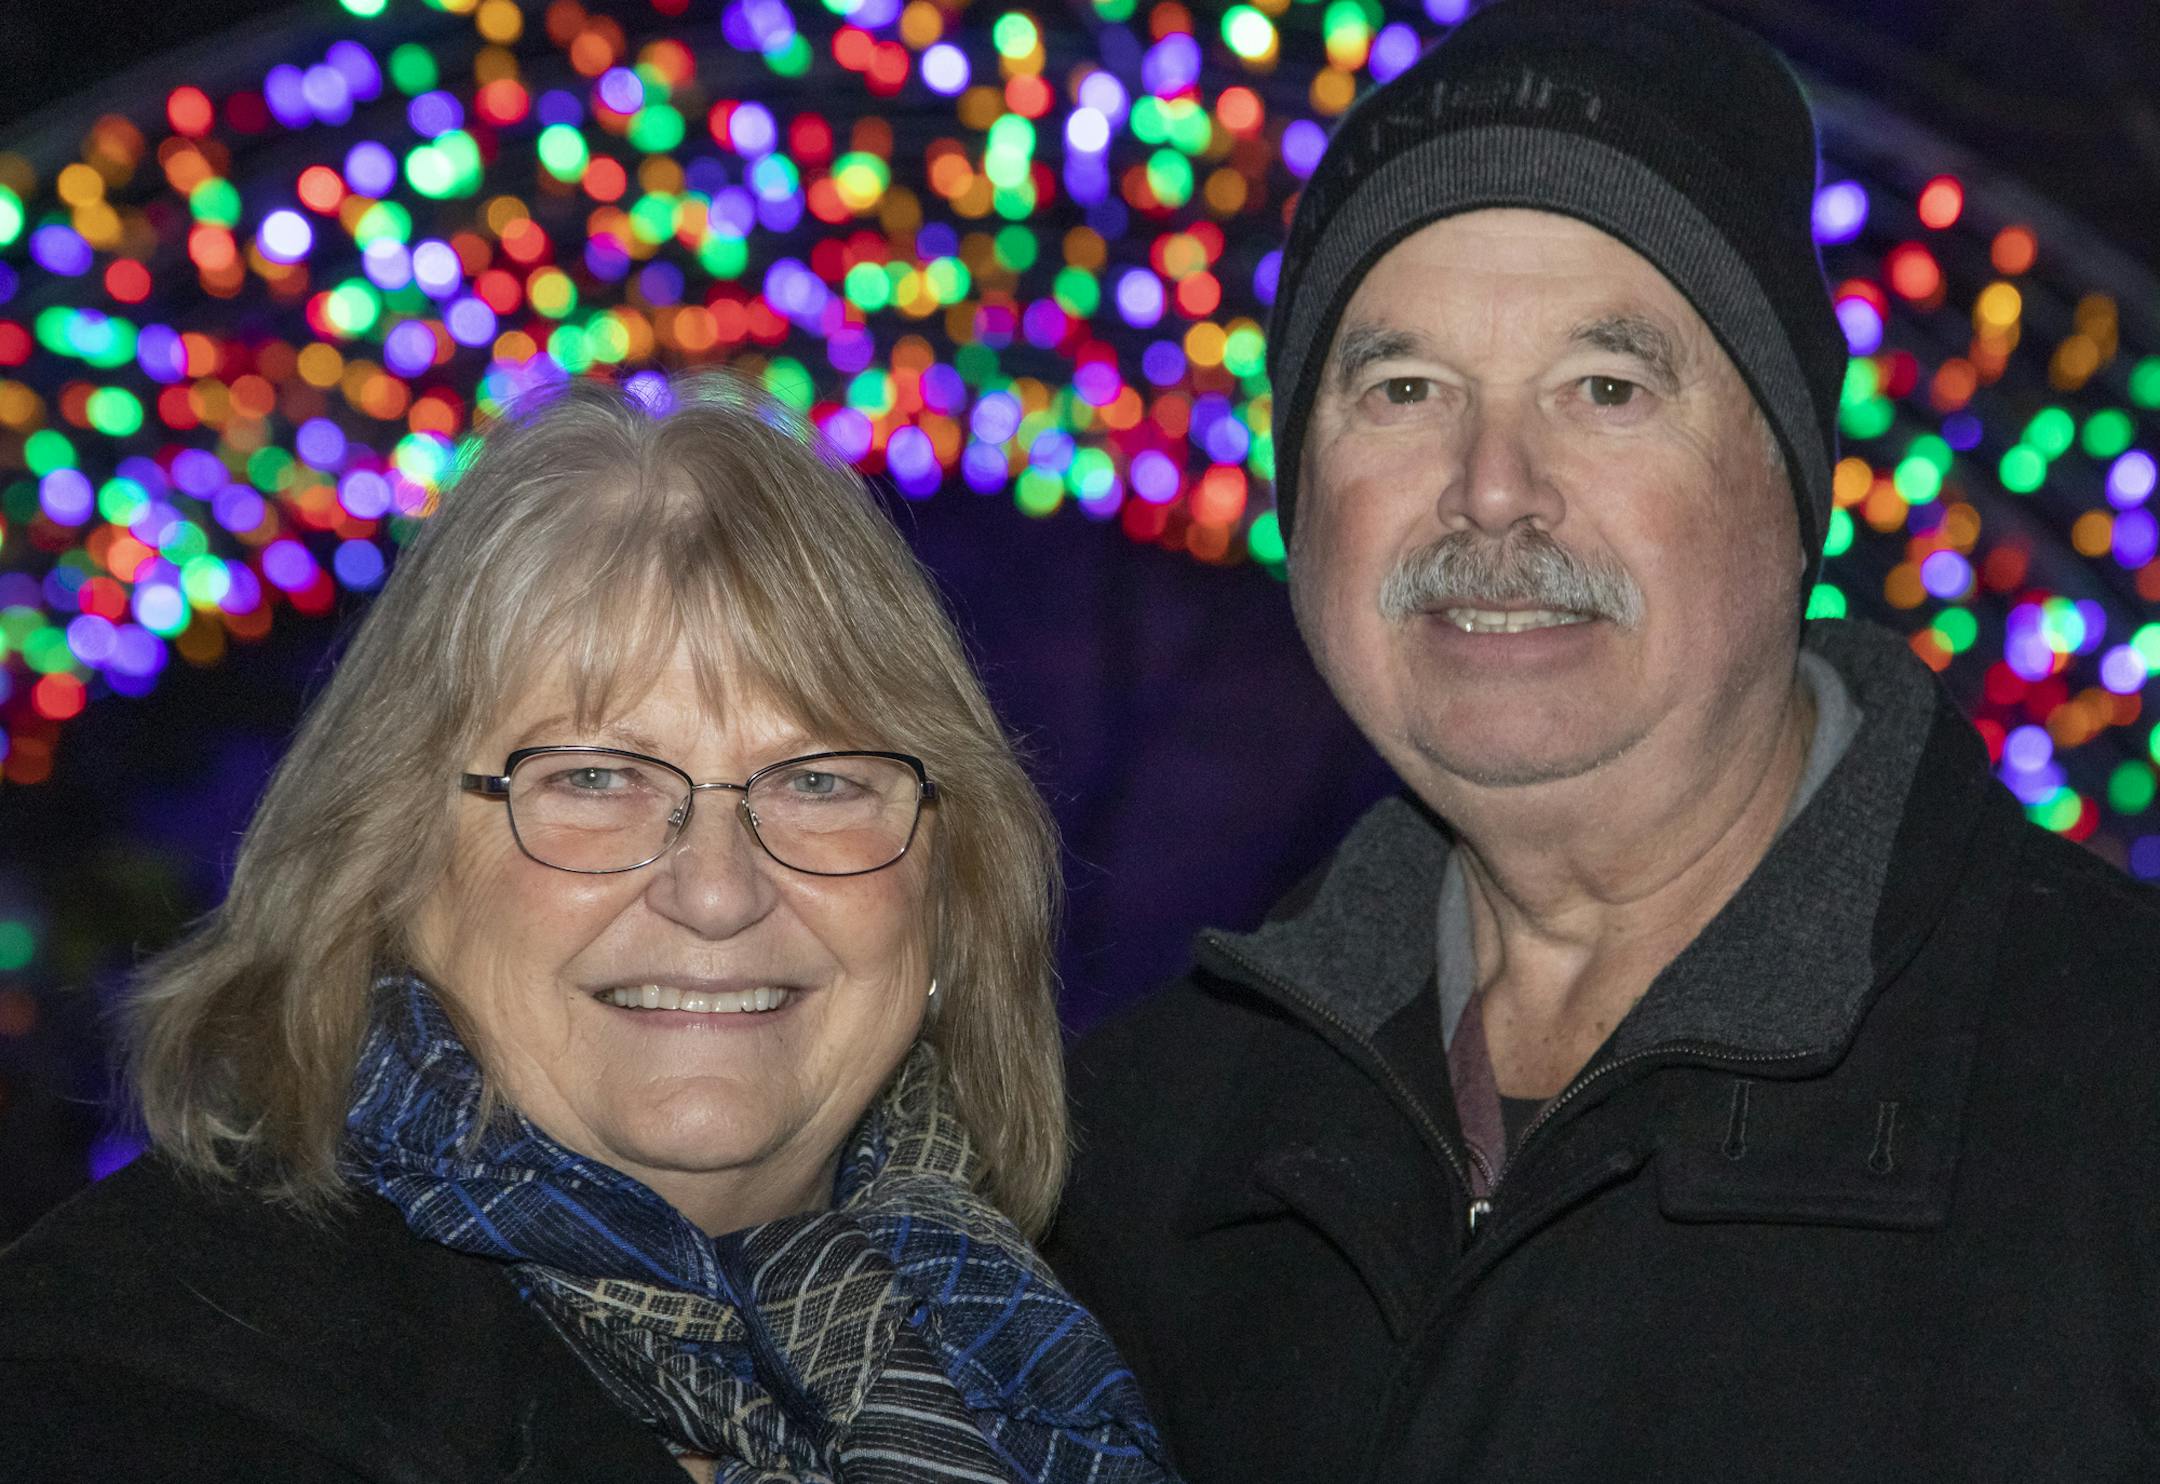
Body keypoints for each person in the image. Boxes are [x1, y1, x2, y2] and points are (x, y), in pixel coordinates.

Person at [1046, 2, 2160, 1479]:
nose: (1492, 489)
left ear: (1791, 481)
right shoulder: (1126, 1162)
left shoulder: (2111, 1099)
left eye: (1608, 389)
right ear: (1303, 506)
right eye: (1403, 390)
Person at [0, 376, 1175, 1484]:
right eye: (596, 776)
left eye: (819, 781)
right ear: (391, 861)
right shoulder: (131, 1389)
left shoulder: (1118, 1347)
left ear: (948, 881)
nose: (718, 891)